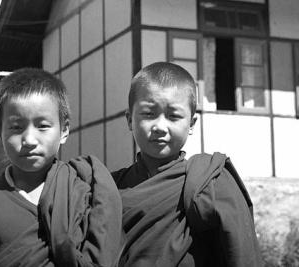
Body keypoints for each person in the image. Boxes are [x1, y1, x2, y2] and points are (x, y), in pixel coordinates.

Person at [0, 68, 122, 267]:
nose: (29, 140)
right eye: (16, 127)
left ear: (64, 130)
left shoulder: (83, 191)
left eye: (43, 126)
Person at [112, 62, 263, 266]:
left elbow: (243, 256)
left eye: (173, 116)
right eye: (148, 114)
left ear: (191, 124)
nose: (160, 127)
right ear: (129, 119)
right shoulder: (110, 187)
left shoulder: (209, 181)